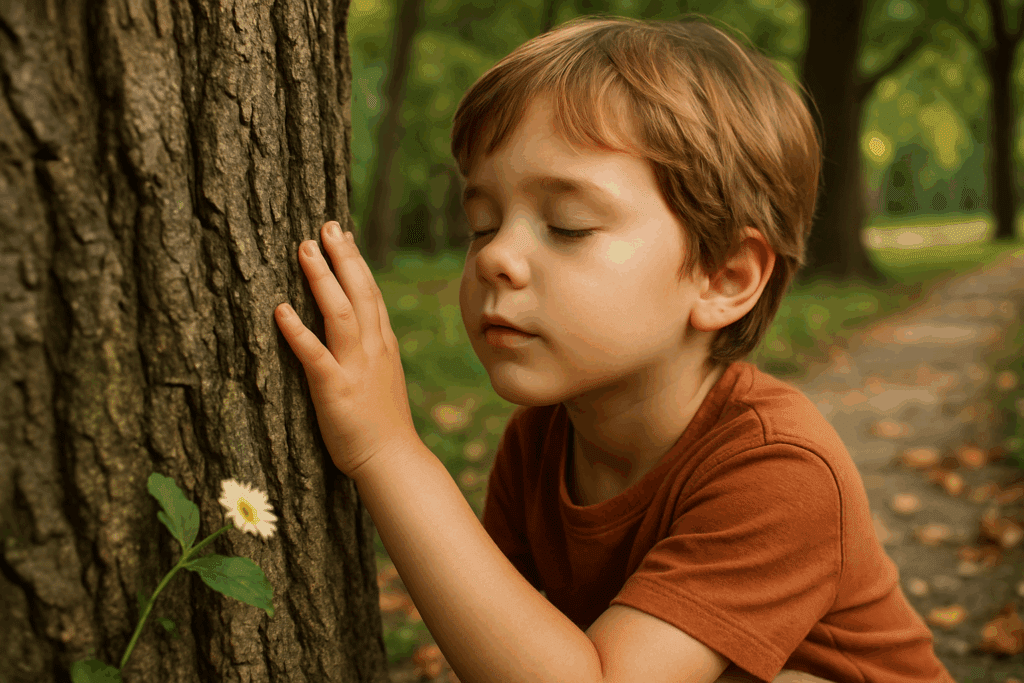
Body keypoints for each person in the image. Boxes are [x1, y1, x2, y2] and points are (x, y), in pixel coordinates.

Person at [273, 13, 955, 683]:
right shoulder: (538, 444)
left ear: (726, 276)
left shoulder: (782, 471)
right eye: (482, 224)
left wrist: (389, 450)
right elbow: (502, 640)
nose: (497, 257)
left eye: (566, 225)